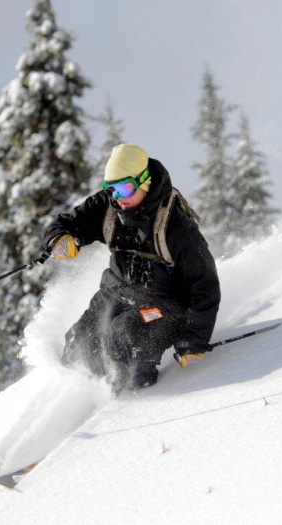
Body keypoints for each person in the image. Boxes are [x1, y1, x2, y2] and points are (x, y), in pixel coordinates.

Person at [41, 143, 221, 391]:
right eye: (110, 189)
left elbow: (205, 284)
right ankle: (79, 403)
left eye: (124, 188)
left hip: (165, 305)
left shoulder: (176, 226)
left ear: (144, 182)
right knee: (79, 343)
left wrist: (195, 339)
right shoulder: (109, 207)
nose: (117, 198)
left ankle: (130, 409)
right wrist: (59, 238)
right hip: (117, 291)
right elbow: (67, 223)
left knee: (123, 338)